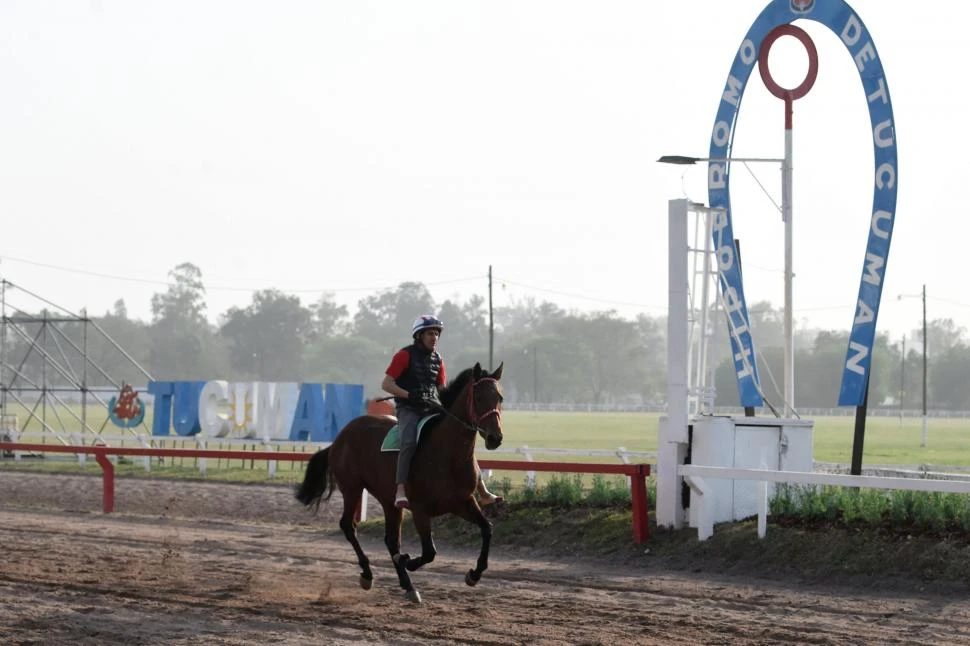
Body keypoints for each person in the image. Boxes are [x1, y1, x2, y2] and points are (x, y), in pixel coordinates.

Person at [382, 314, 503, 509]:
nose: (434, 337)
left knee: (459, 438)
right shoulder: (404, 355)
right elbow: (387, 384)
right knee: (408, 441)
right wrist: (409, 395)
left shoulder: (438, 360)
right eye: (430, 333)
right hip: (408, 409)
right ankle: (401, 489)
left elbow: (441, 390)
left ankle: (482, 491)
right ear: (419, 335)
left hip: (430, 408)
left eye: (437, 334)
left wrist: (440, 403)